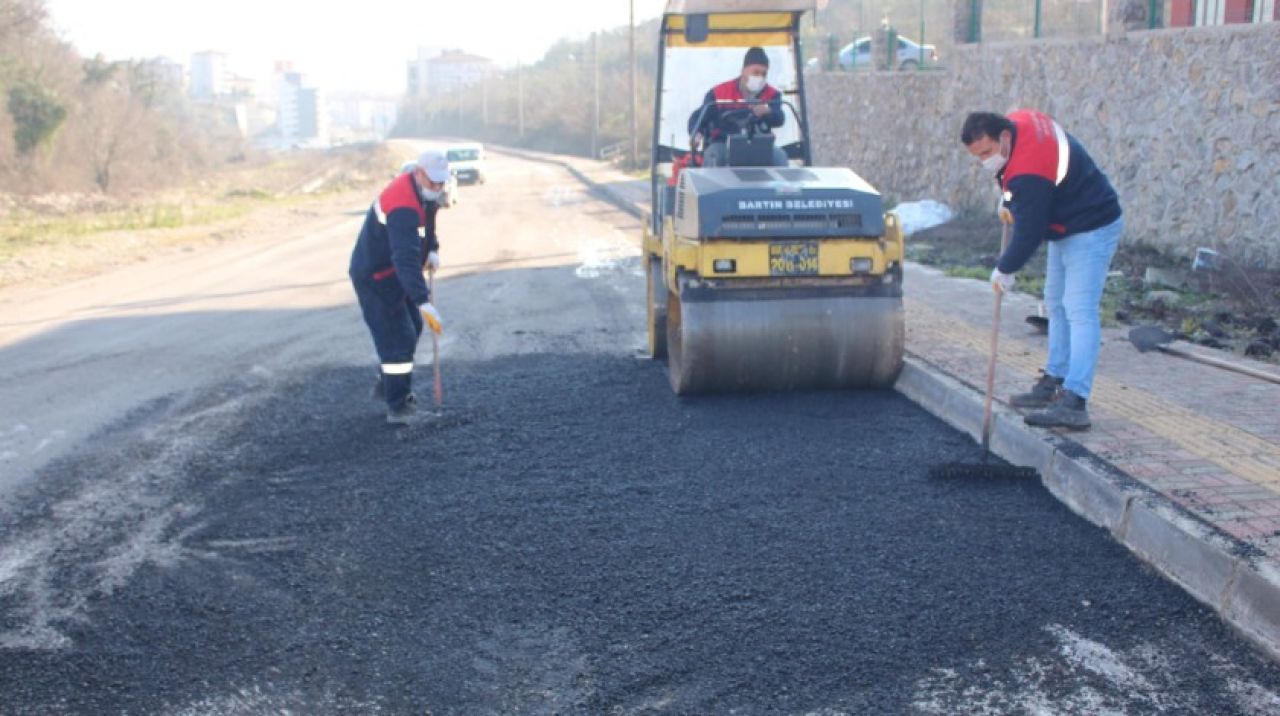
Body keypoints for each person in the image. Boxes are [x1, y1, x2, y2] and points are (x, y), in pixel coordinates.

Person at [961, 109, 1123, 430]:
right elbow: (1019, 184)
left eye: (987, 153)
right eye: (978, 156)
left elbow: (1030, 230)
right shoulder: (1019, 121)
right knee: (1055, 302)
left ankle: (1075, 401)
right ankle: (1055, 379)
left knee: (1079, 309)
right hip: (1067, 219)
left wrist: (1005, 268)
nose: (985, 161)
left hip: (1092, 224)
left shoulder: (1028, 171)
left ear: (1004, 137)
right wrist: (1009, 200)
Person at [349, 148, 449, 425]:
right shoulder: (403, 204)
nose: (438, 187)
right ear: (418, 173)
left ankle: (387, 384)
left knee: (413, 327)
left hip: (392, 273)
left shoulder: (423, 192)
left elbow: (427, 225)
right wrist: (423, 300)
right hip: (376, 276)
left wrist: (431, 249)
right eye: (433, 182)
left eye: (442, 182)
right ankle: (398, 407)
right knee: (399, 340)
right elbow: (404, 258)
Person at [688, 46, 788, 168]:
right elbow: (698, 118)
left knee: (779, 156)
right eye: (756, 73)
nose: (760, 77)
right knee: (715, 156)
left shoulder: (772, 95)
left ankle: (781, 187)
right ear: (743, 71)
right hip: (723, 144)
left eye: (764, 74)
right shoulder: (719, 93)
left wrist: (768, 111)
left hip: (758, 145)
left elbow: (779, 117)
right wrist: (696, 135)